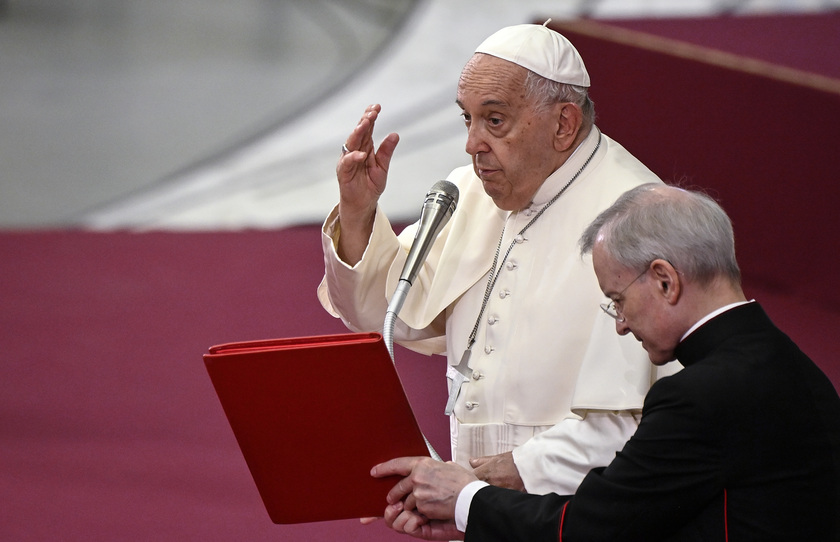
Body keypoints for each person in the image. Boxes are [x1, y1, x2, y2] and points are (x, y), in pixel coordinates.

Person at [318, 23, 676, 493]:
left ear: (564, 124)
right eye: (467, 119)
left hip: (575, 513)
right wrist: (359, 211)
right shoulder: (467, 193)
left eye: (495, 120)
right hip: (473, 509)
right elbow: (384, 314)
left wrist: (481, 486)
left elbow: (646, 430)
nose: (472, 145)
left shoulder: (643, 219)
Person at [371, 183, 840, 541]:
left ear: (664, 281)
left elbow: (593, 528)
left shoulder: (702, 395)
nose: (619, 324)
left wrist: (464, 501)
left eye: (617, 299)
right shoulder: (789, 363)